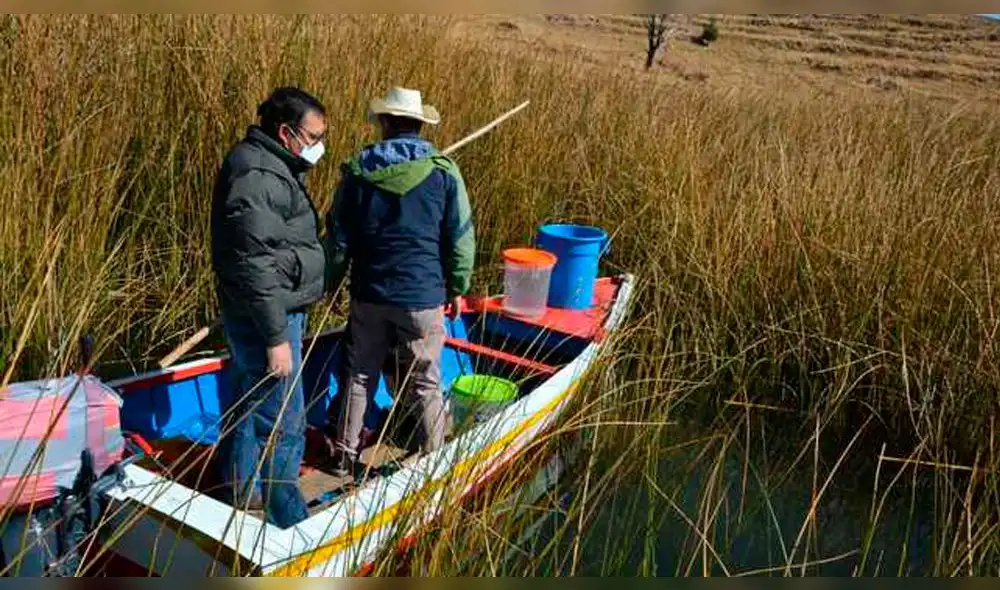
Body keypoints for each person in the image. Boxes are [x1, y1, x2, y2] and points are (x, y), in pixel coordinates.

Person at [324, 86, 475, 475]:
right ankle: (435, 462)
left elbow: (339, 240)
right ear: (420, 125)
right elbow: (460, 236)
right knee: (425, 380)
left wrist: (329, 283)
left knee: (360, 375)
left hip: (369, 292)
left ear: (385, 123)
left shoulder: (357, 172)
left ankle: (344, 457)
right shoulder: (444, 171)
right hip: (422, 294)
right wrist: (458, 287)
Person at [209, 86, 327, 527]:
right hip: (268, 317)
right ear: (285, 132)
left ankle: (241, 491)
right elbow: (255, 261)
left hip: (265, 310)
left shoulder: (272, 166)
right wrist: (276, 337)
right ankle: (287, 519)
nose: (318, 146)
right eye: (313, 137)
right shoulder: (258, 174)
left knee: (250, 399)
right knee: (283, 421)